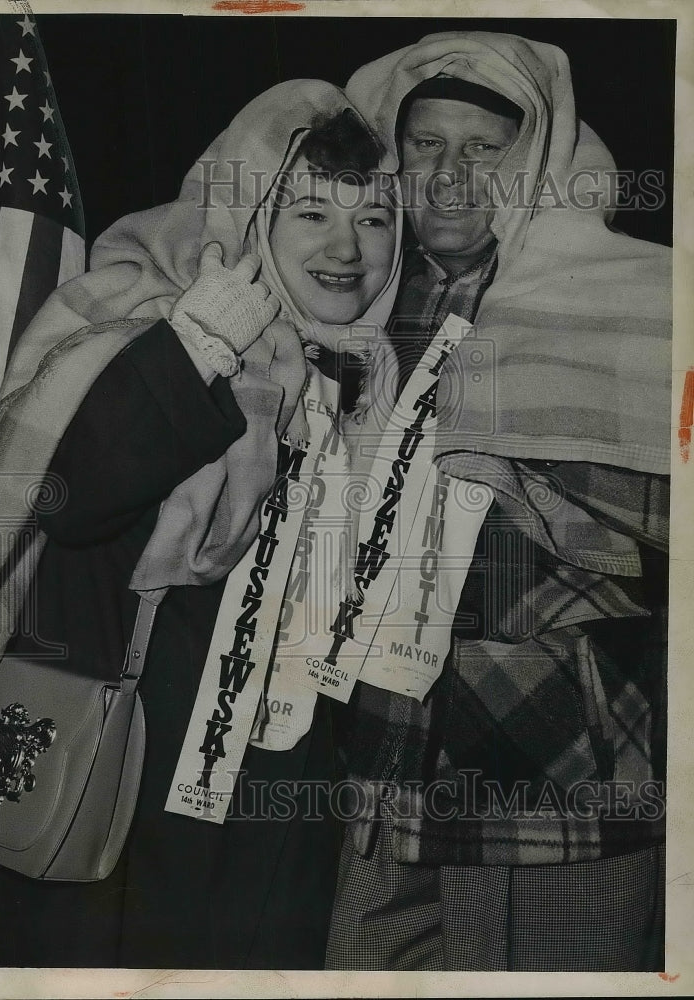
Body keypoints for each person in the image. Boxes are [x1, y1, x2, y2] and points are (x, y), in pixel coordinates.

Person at [0, 79, 402, 969]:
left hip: (270, 795)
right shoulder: (160, 321)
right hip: (122, 776)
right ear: (248, 216)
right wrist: (201, 343)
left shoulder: (364, 381)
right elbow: (74, 491)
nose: (348, 248)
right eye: (311, 213)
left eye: (376, 220)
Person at [322, 32, 671, 971]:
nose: (450, 175)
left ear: (537, 162)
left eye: (484, 148)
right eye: (426, 144)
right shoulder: (355, 294)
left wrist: (526, 468)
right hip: (386, 736)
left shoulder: (632, 298)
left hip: (555, 741)